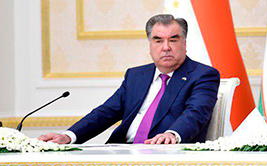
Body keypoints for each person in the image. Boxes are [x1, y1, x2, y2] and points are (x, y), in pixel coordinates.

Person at [38, 14, 220, 145]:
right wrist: (69, 136)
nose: (166, 47)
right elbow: (105, 112)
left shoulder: (203, 75)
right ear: (150, 46)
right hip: (122, 151)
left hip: (167, 155)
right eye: (158, 40)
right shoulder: (136, 75)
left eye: (173, 40)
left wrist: (172, 134)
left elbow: (195, 114)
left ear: (184, 44)